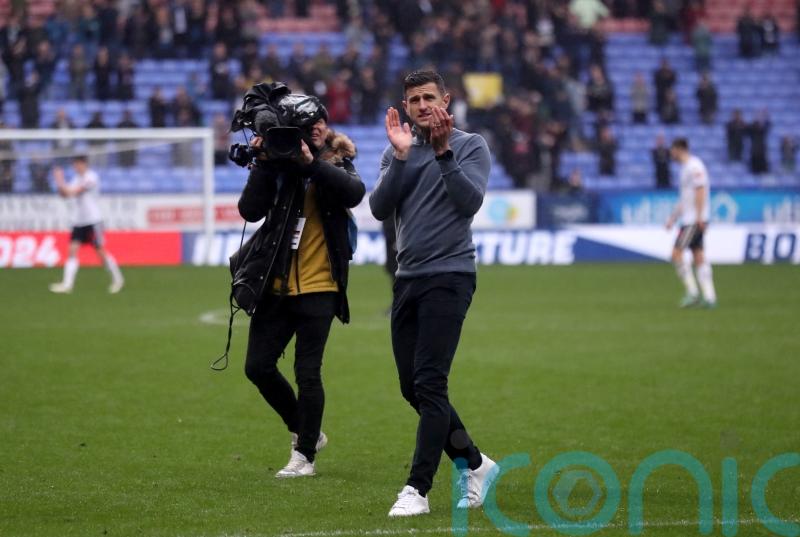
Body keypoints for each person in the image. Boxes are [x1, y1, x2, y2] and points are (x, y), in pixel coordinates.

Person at [369, 70, 498, 518]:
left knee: (429, 381)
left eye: (429, 97)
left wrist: (443, 154)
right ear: (405, 107)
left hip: (451, 275)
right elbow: (379, 208)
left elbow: (469, 202)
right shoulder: (396, 150)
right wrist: (402, 159)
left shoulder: (469, 145)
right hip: (408, 278)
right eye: (414, 100)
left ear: (446, 99)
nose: (422, 105)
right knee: (413, 388)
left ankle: (416, 489)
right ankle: (476, 464)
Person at [237, 94, 365, 479]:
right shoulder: (278, 163)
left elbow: (354, 193)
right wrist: (262, 162)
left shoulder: (339, 160)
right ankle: (305, 428)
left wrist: (311, 165)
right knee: (257, 366)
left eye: (321, 121)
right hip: (275, 285)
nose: (319, 128)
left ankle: (304, 455)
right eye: (309, 127)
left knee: (307, 372)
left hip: (320, 284)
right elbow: (250, 211)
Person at [49, 155, 125, 294]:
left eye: (77, 164)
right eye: (74, 165)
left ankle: (117, 278)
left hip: (93, 220)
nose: (75, 167)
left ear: (84, 164)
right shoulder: (76, 179)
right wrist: (59, 182)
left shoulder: (91, 177)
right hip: (79, 221)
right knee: (72, 250)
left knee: (100, 251)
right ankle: (67, 284)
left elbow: (73, 192)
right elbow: (65, 195)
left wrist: (60, 179)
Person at [665, 138, 717, 309]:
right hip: (691, 218)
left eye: (673, 149)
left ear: (680, 149)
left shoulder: (695, 167)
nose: (671, 153)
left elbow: (700, 190)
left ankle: (693, 293)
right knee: (698, 255)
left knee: (676, 253)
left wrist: (700, 216)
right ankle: (709, 297)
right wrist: (673, 217)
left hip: (693, 220)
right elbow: (685, 198)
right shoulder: (686, 169)